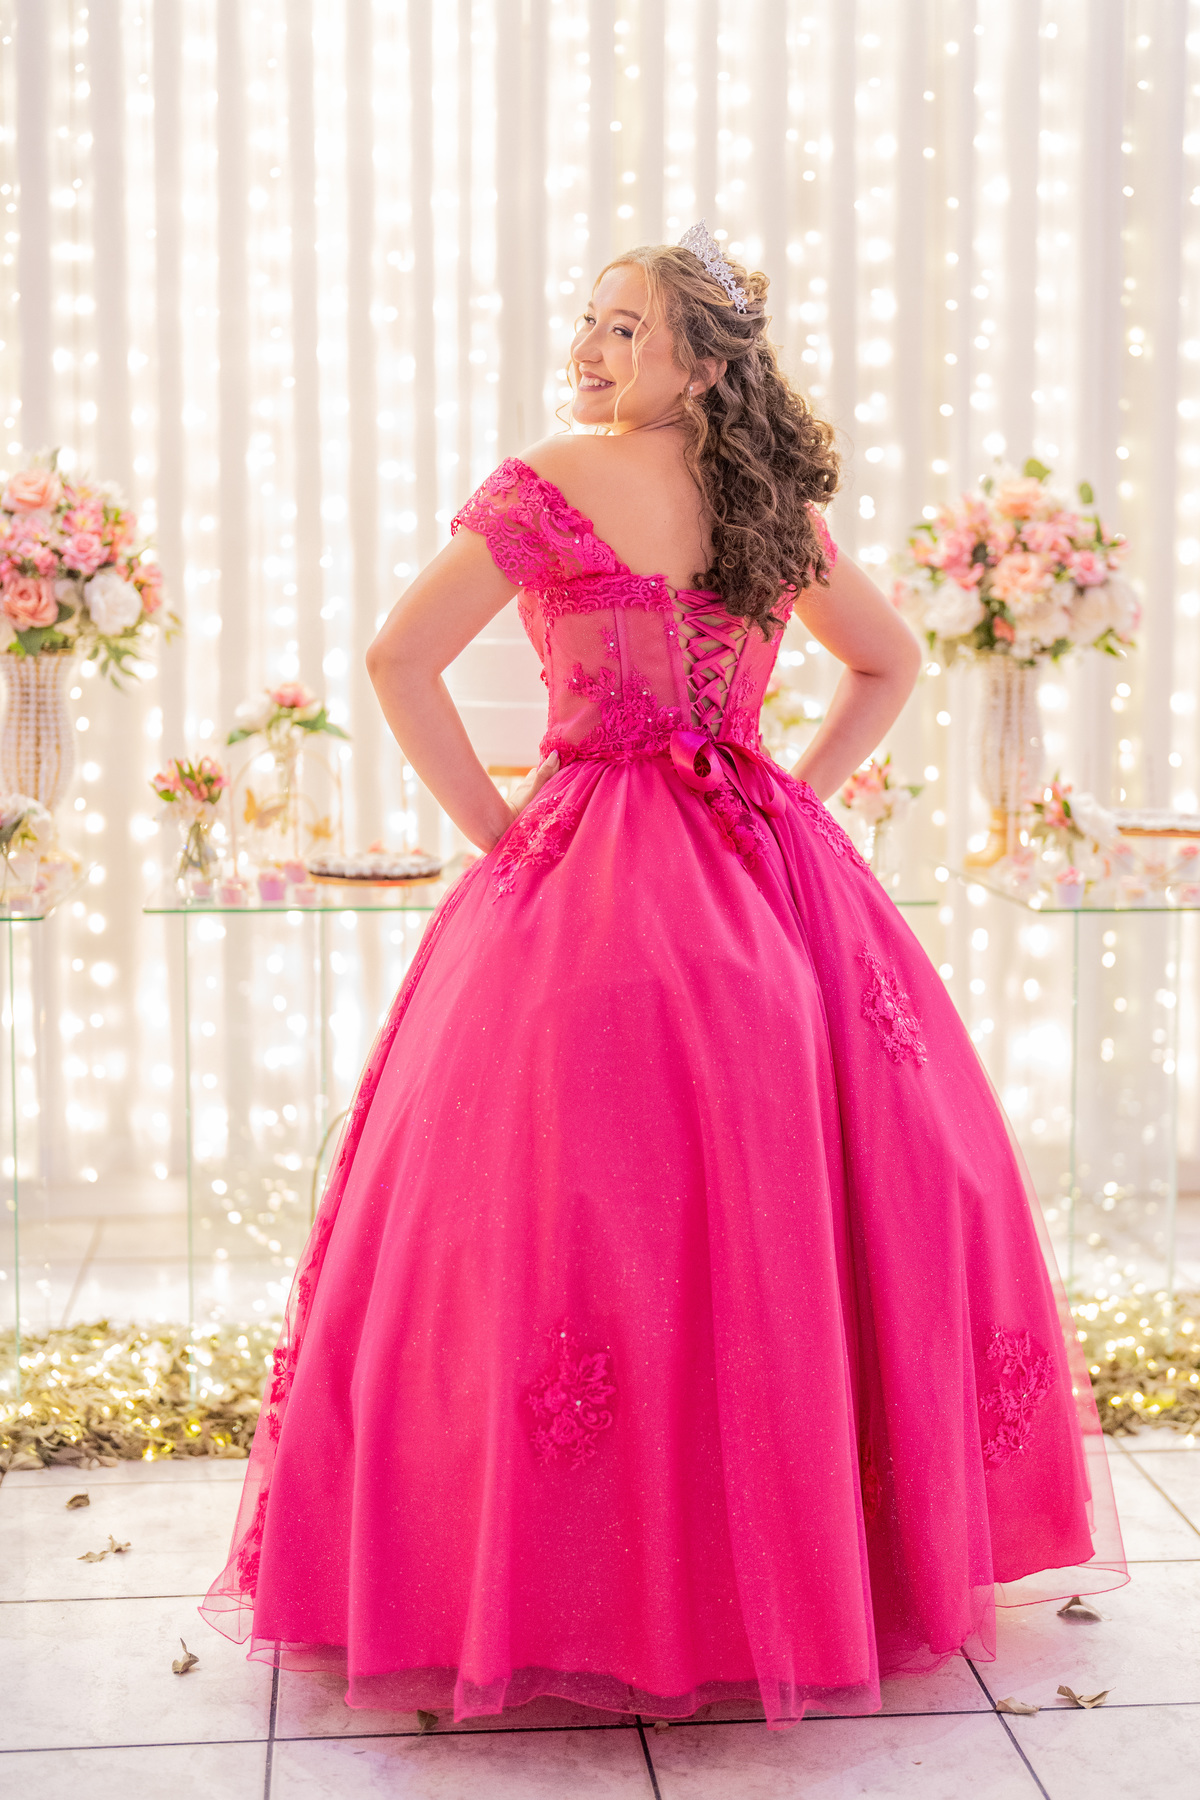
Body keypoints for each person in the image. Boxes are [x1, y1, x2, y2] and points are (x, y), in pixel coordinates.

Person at [201, 225, 1124, 1728]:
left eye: (626, 327)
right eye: (590, 319)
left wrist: (502, 835)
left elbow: (395, 660)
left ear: (701, 365)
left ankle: (579, 1582)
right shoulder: (767, 502)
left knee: (575, 1230)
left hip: (594, 888)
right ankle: (783, 1574)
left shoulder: (553, 480)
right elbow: (887, 662)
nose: (590, 345)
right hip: (770, 885)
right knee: (780, 1228)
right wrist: (790, 792)